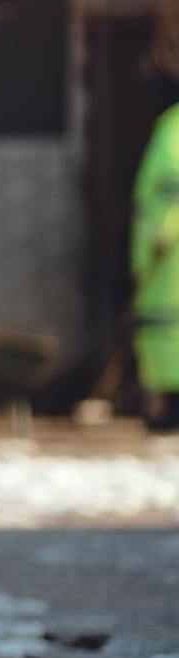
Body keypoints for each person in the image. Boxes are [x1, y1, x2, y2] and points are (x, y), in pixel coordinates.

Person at [132, 54, 179, 432]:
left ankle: (168, 411)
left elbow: (168, 191)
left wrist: (158, 238)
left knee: (165, 331)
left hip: (169, 262)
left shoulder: (172, 130)